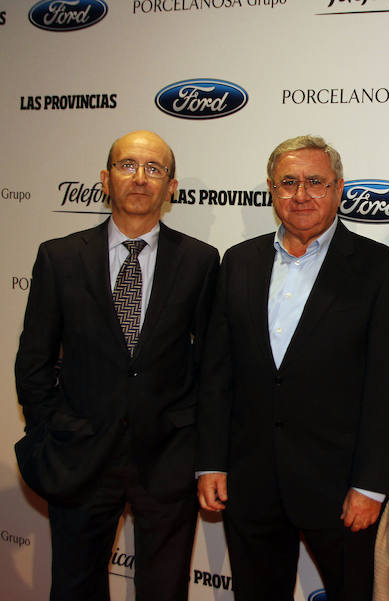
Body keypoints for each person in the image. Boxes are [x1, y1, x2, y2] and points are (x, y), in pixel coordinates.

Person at [196, 135, 389, 601]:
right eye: (288, 182)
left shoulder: (382, 269)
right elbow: (217, 372)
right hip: (249, 484)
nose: (301, 195)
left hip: (340, 489)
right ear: (272, 191)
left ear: (339, 190)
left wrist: (372, 484)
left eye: (315, 182)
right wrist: (210, 461)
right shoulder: (238, 262)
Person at [14, 130, 220, 601]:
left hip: (168, 459)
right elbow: (33, 361)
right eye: (128, 166)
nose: (140, 178)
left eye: (154, 169)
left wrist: (199, 445)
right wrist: (57, 427)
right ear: (106, 179)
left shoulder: (201, 261)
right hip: (81, 455)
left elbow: (212, 367)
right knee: (74, 587)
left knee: (164, 591)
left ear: (171, 186)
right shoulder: (59, 257)